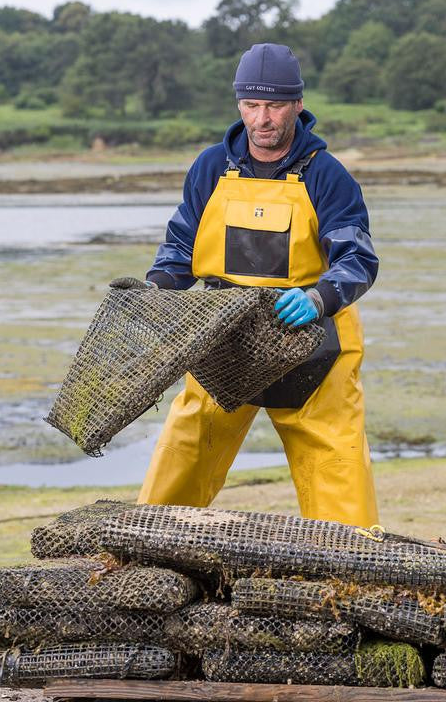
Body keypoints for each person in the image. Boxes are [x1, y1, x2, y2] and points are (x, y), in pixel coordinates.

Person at [137, 42, 380, 528]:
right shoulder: (211, 167)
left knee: (337, 469)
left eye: (273, 105)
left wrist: (318, 298)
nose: (262, 118)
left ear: (298, 105)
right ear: (238, 105)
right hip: (221, 339)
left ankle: (356, 572)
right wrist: (156, 289)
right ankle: (144, 559)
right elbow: (181, 247)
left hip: (314, 342)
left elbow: (357, 258)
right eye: (251, 105)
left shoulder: (328, 176)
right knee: (185, 452)